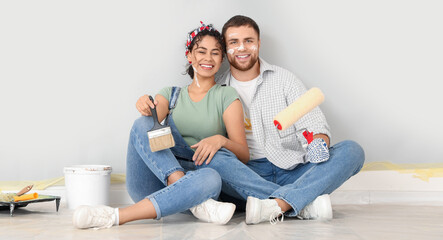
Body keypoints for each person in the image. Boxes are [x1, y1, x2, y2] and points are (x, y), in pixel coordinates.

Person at [72, 22, 249, 229]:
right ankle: (186, 191)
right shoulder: (170, 94)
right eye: (201, 52)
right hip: (154, 183)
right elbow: (150, 119)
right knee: (144, 122)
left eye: (215, 53)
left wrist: (221, 140)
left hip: (200, 182)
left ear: (222, 60)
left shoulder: (226, 95)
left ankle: (113, 216)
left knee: (211, 177)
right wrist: (145, 105)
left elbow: (243, 155)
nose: (208, 58)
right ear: (189, 56)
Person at [214, 15, 365, 224]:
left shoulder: (284, 80)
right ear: (225, 47)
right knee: (213, 163)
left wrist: (319, 143)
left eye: (249, 41)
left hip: (293, 169)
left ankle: (277, 205)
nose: (242, 48)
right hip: (248, 175)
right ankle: (302, 202)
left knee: (352, 151)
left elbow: (314, 124)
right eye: (234, 42)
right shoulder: (216, 90)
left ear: (258, 43)